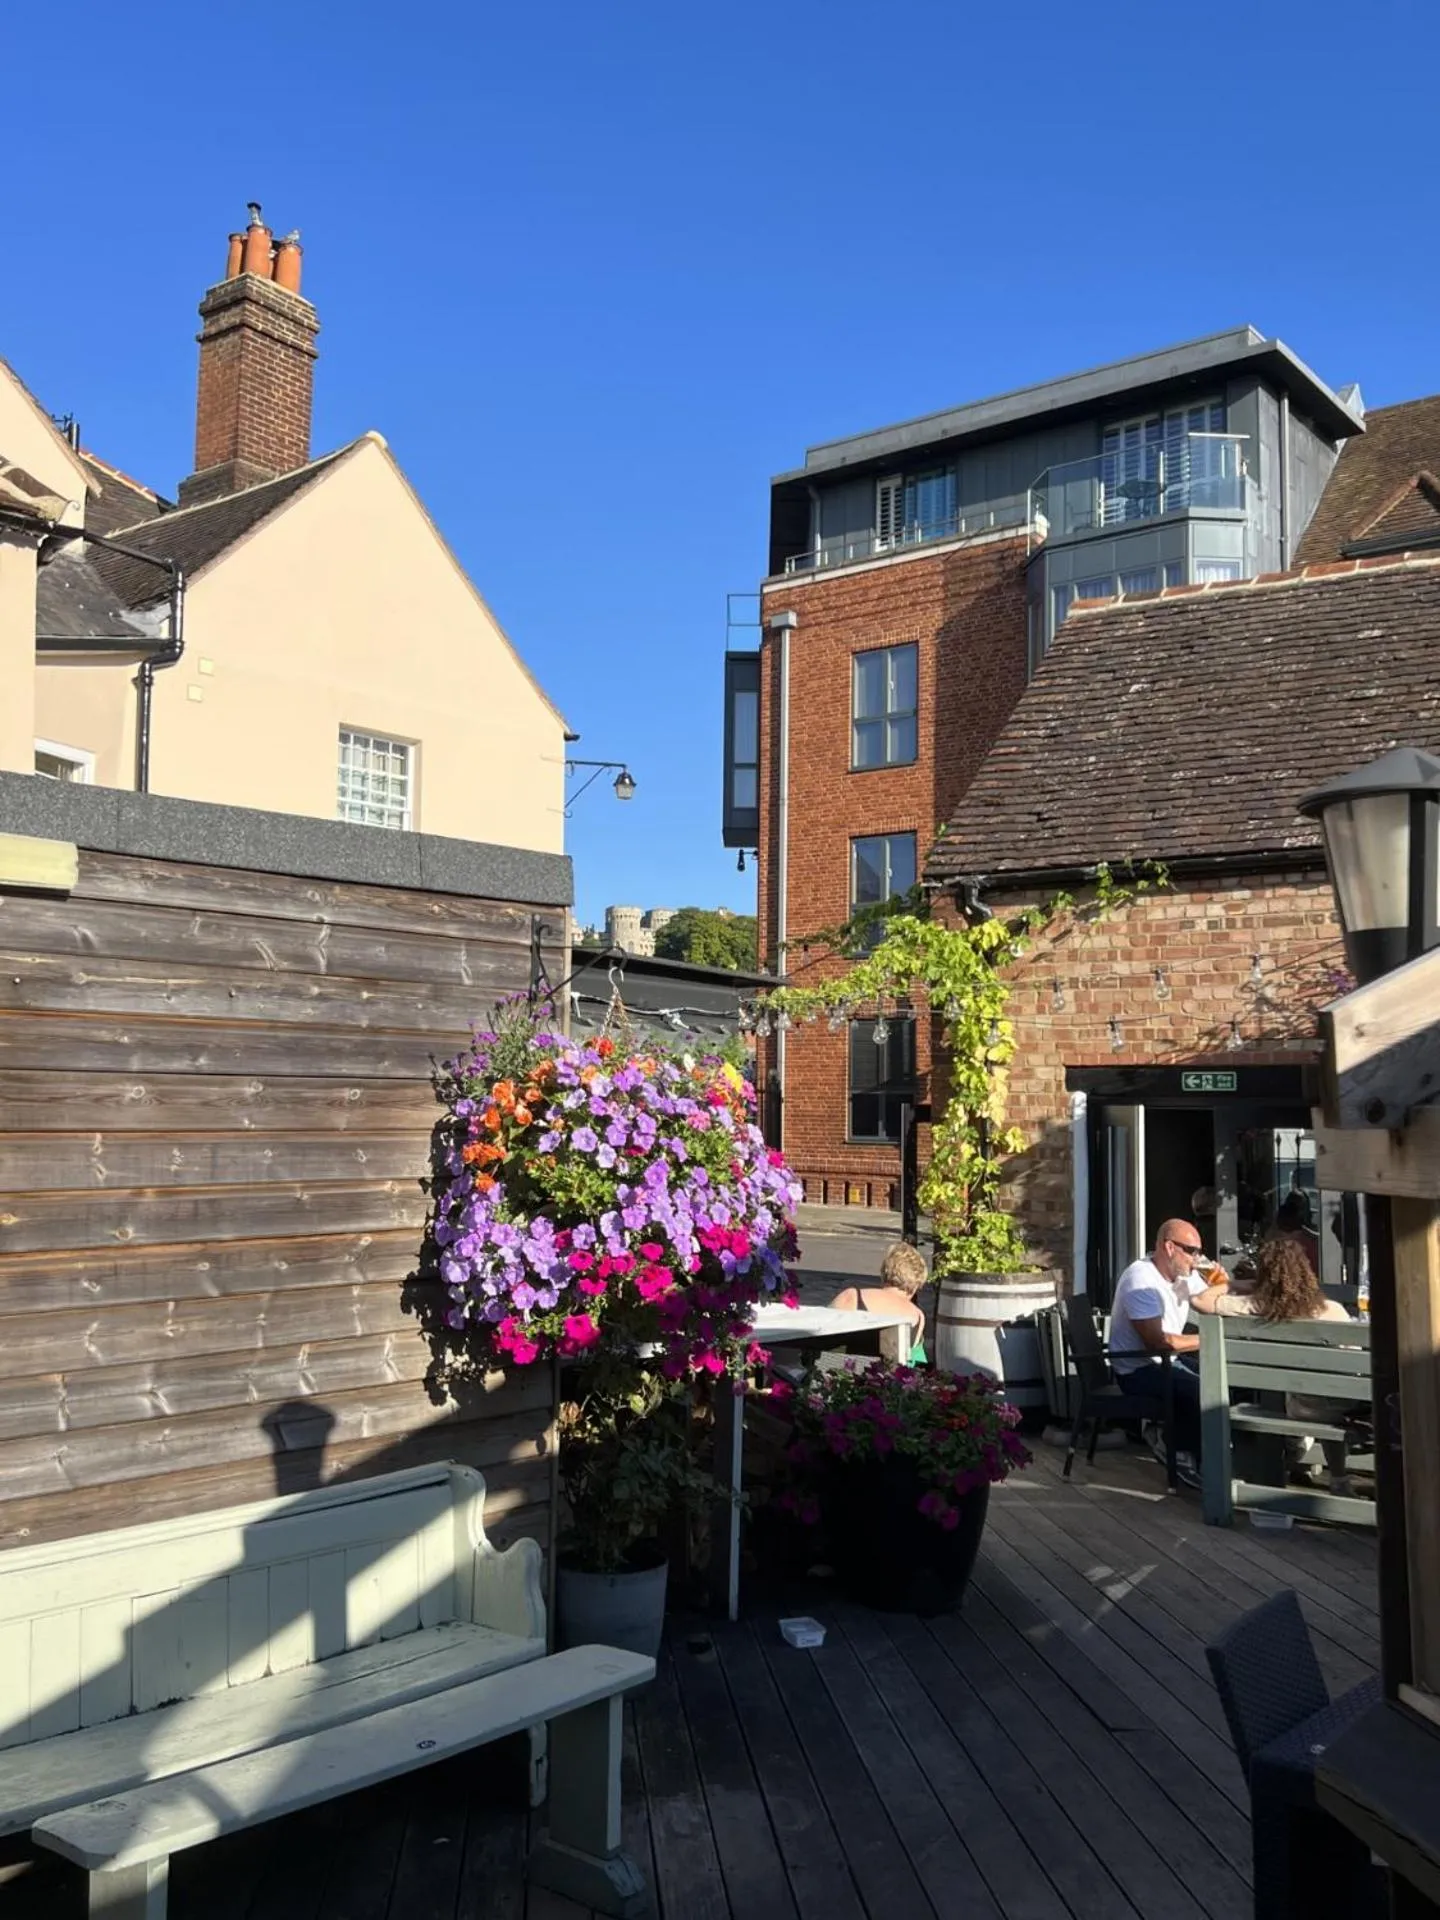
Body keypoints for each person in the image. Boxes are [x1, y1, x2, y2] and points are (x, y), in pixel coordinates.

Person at [1192, 1234, 1357, 1493]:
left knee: (1306, 1395)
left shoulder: (1259, 1306)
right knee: (1325, 1392)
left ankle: (1295, 1453)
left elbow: (1199, 1300)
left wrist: (1243, 1284)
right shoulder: (1331, 1308)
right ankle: (1337, 1477)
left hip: (1300, 1407)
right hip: (1346, 1406)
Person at [1109, 1220, 1215, 1481]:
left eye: (1199, 1251)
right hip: (1137, 1369)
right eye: (1192, 1250)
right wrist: (1210, 1339)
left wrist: (1226, 1283)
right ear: (1170, 1247)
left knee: (1219, 1378)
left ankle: (1207, 1455)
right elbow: (1157, 1343)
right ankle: (1179, 1453)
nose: (1197, 1258)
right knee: (1204, 1391)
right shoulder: (1141, 1279)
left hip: (1165, 1361)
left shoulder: (1182, 1275)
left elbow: (1212, 1301)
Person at [829, 1240, 929, 1364]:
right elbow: (915, 1363)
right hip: (888, 1381)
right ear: (915, 1285)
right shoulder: (918, 1316)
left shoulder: (853, 1297)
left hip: (845, 1376)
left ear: (884, 1271)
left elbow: (816, 1337)